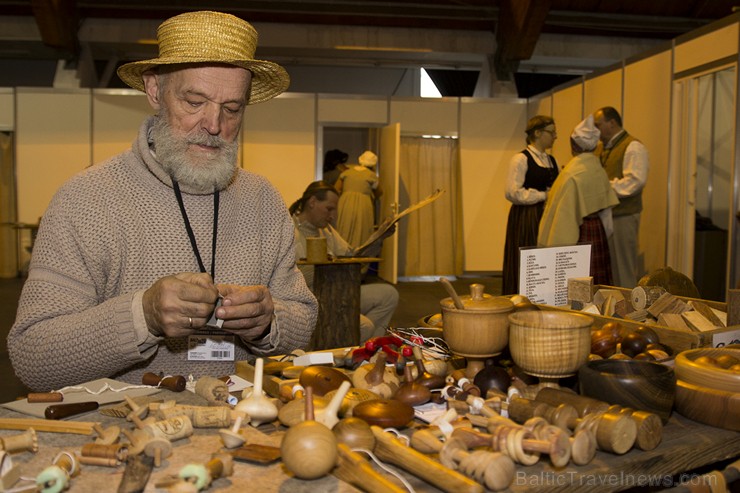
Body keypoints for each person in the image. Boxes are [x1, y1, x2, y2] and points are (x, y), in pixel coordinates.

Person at [7, 11, 318, 391]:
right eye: (194, 101)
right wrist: (144, 315)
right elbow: (33, 357)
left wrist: (269, 321)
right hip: (123, 433)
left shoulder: (262, 199)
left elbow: (302, 317)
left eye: (232, 108)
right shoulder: (86, 199)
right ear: (155, 90)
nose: (214, 124)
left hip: (241, 430)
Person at [290, 181, 399, 342]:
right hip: (309, 302)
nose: (333, 216)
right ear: (312, 202)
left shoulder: (326, 230)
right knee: (364, 326)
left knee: (389, 295)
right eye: (329, 209)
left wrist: (379, 238)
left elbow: (352, 257)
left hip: (337, 293)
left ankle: (365, 351)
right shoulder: (288, 230)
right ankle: (342, 351)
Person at [538, 115, 620, 285]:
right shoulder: (599, 170)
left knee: (578, 283)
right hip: (597, 231)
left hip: (578, 235)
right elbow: (607, 215)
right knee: (597, 282)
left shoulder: (571, 174)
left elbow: (564, 221)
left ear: (573, 144)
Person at [501, 115, 559, 295]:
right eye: (552, 132)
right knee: (527, 256)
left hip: (545, 214)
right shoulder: (520, 159)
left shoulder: (551, 160)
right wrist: (543, 195)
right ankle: (519, 296)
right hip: (526, 216)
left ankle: (541, 295)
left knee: (543, 258)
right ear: (537, 133)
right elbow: (512, 192)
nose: (555, 136)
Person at [593, 106, 649, 287]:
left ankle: (628, 311)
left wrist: (603, 188)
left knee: (623, 268)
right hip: (606, 215)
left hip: (623, 216)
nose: (596, 129)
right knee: (609, 267)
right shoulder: (602, 148)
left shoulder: (633, 147)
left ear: (612, 123)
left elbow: (635, 182)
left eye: (598, 124)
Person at [336, 150, 382, 248]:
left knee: (345, 226)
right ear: (373, 165)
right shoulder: (371, 175)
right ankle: (359, 253)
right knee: (362, 229)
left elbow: (336, 189)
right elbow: (379, 192)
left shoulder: (347, 173)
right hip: (363, 204)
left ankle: (343, 251)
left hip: (346, 203)